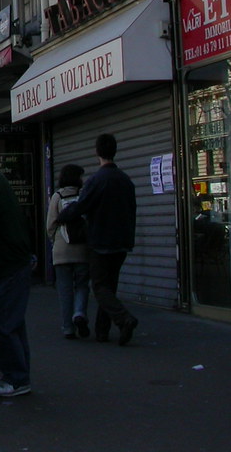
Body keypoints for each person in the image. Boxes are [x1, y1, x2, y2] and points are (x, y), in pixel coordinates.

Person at [57, 132, 139, 346]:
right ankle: (103, 331)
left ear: (97, 152)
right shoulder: (125, 180)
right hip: (122, 240)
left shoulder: (97, 180)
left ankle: (123, 319)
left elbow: (81, 206)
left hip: (101, 240)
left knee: (100, 287)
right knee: (109, 286)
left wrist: (62, 215)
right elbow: (132, 210)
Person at [0, 142, 34, 398]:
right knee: (12, 323)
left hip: (6, 264)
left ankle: (16, 378)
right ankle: (18, 374)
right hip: (14, 260)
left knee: (3, 322)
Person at [46, 164, 90, 339]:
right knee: (82, 285)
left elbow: (50, 225)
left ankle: (68, 328)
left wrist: (55, 241)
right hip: (82, 249)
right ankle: (79, 312)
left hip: (61, 250)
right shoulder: (83, 196)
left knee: (64, 290)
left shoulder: (57, 196)